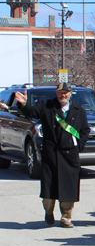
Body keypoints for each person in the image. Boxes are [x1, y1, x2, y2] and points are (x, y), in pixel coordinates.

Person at [15, 83, 90, 228]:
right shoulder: (47, 106)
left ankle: (66, 217)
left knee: (69, 188)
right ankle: (48, 211)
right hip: (52, 155)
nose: (63, 95)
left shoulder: (79, 110)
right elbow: (32, 112)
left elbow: (85, 130)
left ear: (70, 93)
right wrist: (24, 104)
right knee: (49, 190)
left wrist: (79, 145)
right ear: (56, 93)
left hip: (69, 155)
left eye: (66, 93)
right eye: (61, 93)